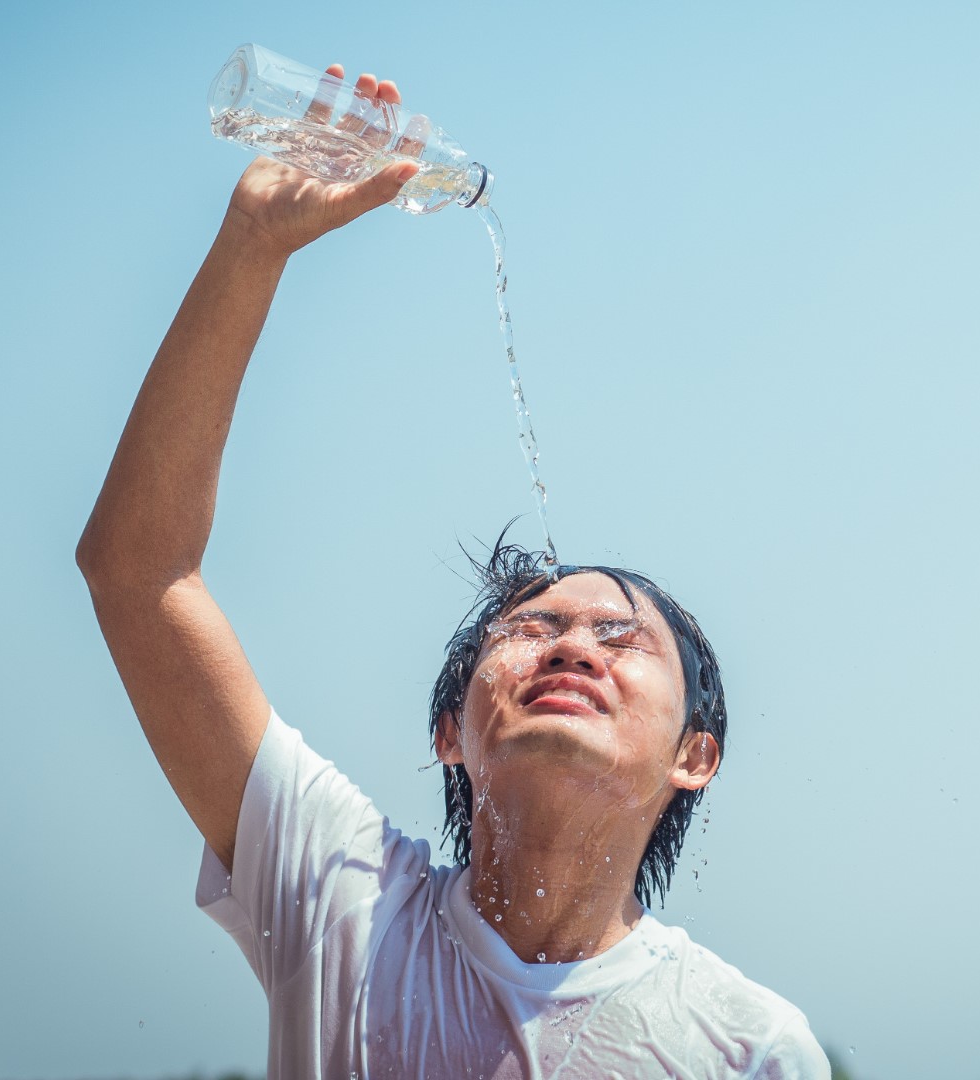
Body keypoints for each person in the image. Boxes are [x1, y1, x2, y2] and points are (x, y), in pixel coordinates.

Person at [75, 62, 828, 1079]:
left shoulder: (747, 1044)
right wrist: (252, 245)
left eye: (621, 637)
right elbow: (136, 570)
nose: (569, 640)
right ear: (449, 735)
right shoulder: (345, 901)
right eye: (526, 630)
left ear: (695, 755)